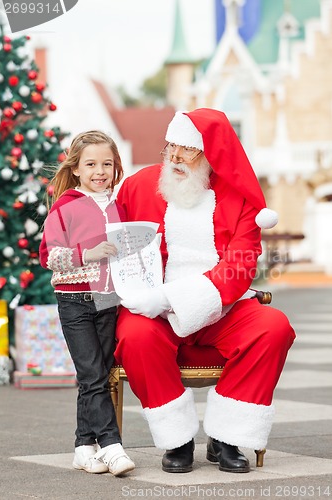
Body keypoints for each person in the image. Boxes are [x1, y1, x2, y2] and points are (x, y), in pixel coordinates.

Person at [115, 108, 296, 474]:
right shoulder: (138, 186)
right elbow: (117, 247)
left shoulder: (240, 198)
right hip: (156, 314)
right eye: (171, 147)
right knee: (134, 336)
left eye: (188, 149)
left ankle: (227, 436)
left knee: (273, 327)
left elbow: (241, 267)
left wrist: (170, 297)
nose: (176, 157)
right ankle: (177, 440)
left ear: (210, 153)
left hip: (222, 309)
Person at [39, 131, 135, 476]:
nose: (100, 171)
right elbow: (49, 255)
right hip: (75, 300)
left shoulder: (117, 206)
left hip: (109, 300)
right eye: (91, 164)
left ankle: (83, 447)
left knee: (95, 375)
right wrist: (87, 254)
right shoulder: (67, 205)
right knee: (93, 375)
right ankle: (111, 445)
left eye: (107, 164)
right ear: (76, 168)